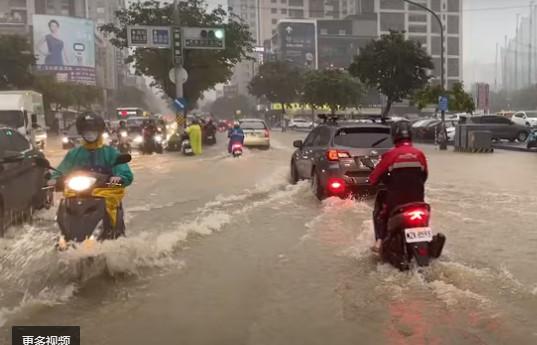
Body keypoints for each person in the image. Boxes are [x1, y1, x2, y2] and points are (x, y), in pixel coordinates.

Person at [48, 113, 134, 234]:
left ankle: (112, 231)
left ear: (99, 131)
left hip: (105, 192)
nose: (90, 133)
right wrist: (55, 180)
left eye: (93, 130)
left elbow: (125, 174)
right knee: (64, 206)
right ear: (81, 132)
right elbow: (61, 170)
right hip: (76, 193)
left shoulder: (111, 153)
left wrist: (119, 178)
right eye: (86, 130)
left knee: (111, 206)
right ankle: (65, 234)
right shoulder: (73, 154)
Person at [368, 121, 428, 253]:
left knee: (380, 215)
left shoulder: (390, 155)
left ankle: (379, 242)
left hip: (396, 203)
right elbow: (424, 176)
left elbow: (373, 179)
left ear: (394, 136)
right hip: (419, 202)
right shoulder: (419, 154)